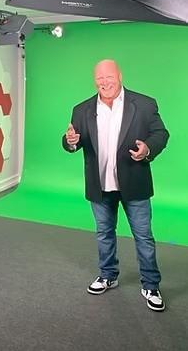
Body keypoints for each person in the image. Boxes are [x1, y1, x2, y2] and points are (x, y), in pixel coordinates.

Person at [62, 59, 169, 311]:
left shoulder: (144, 104)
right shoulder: (81, 109)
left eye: (109, 76)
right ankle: (108, 275)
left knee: (143, 236)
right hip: (99, 186)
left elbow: (161, 134)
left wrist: (148, 149)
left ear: (119, 76)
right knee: (104, 233)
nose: (104, 82)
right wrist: (70, 142)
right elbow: (71, 140)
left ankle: (151, 285)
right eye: (99, 78)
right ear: (94, 80)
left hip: (135, 183)